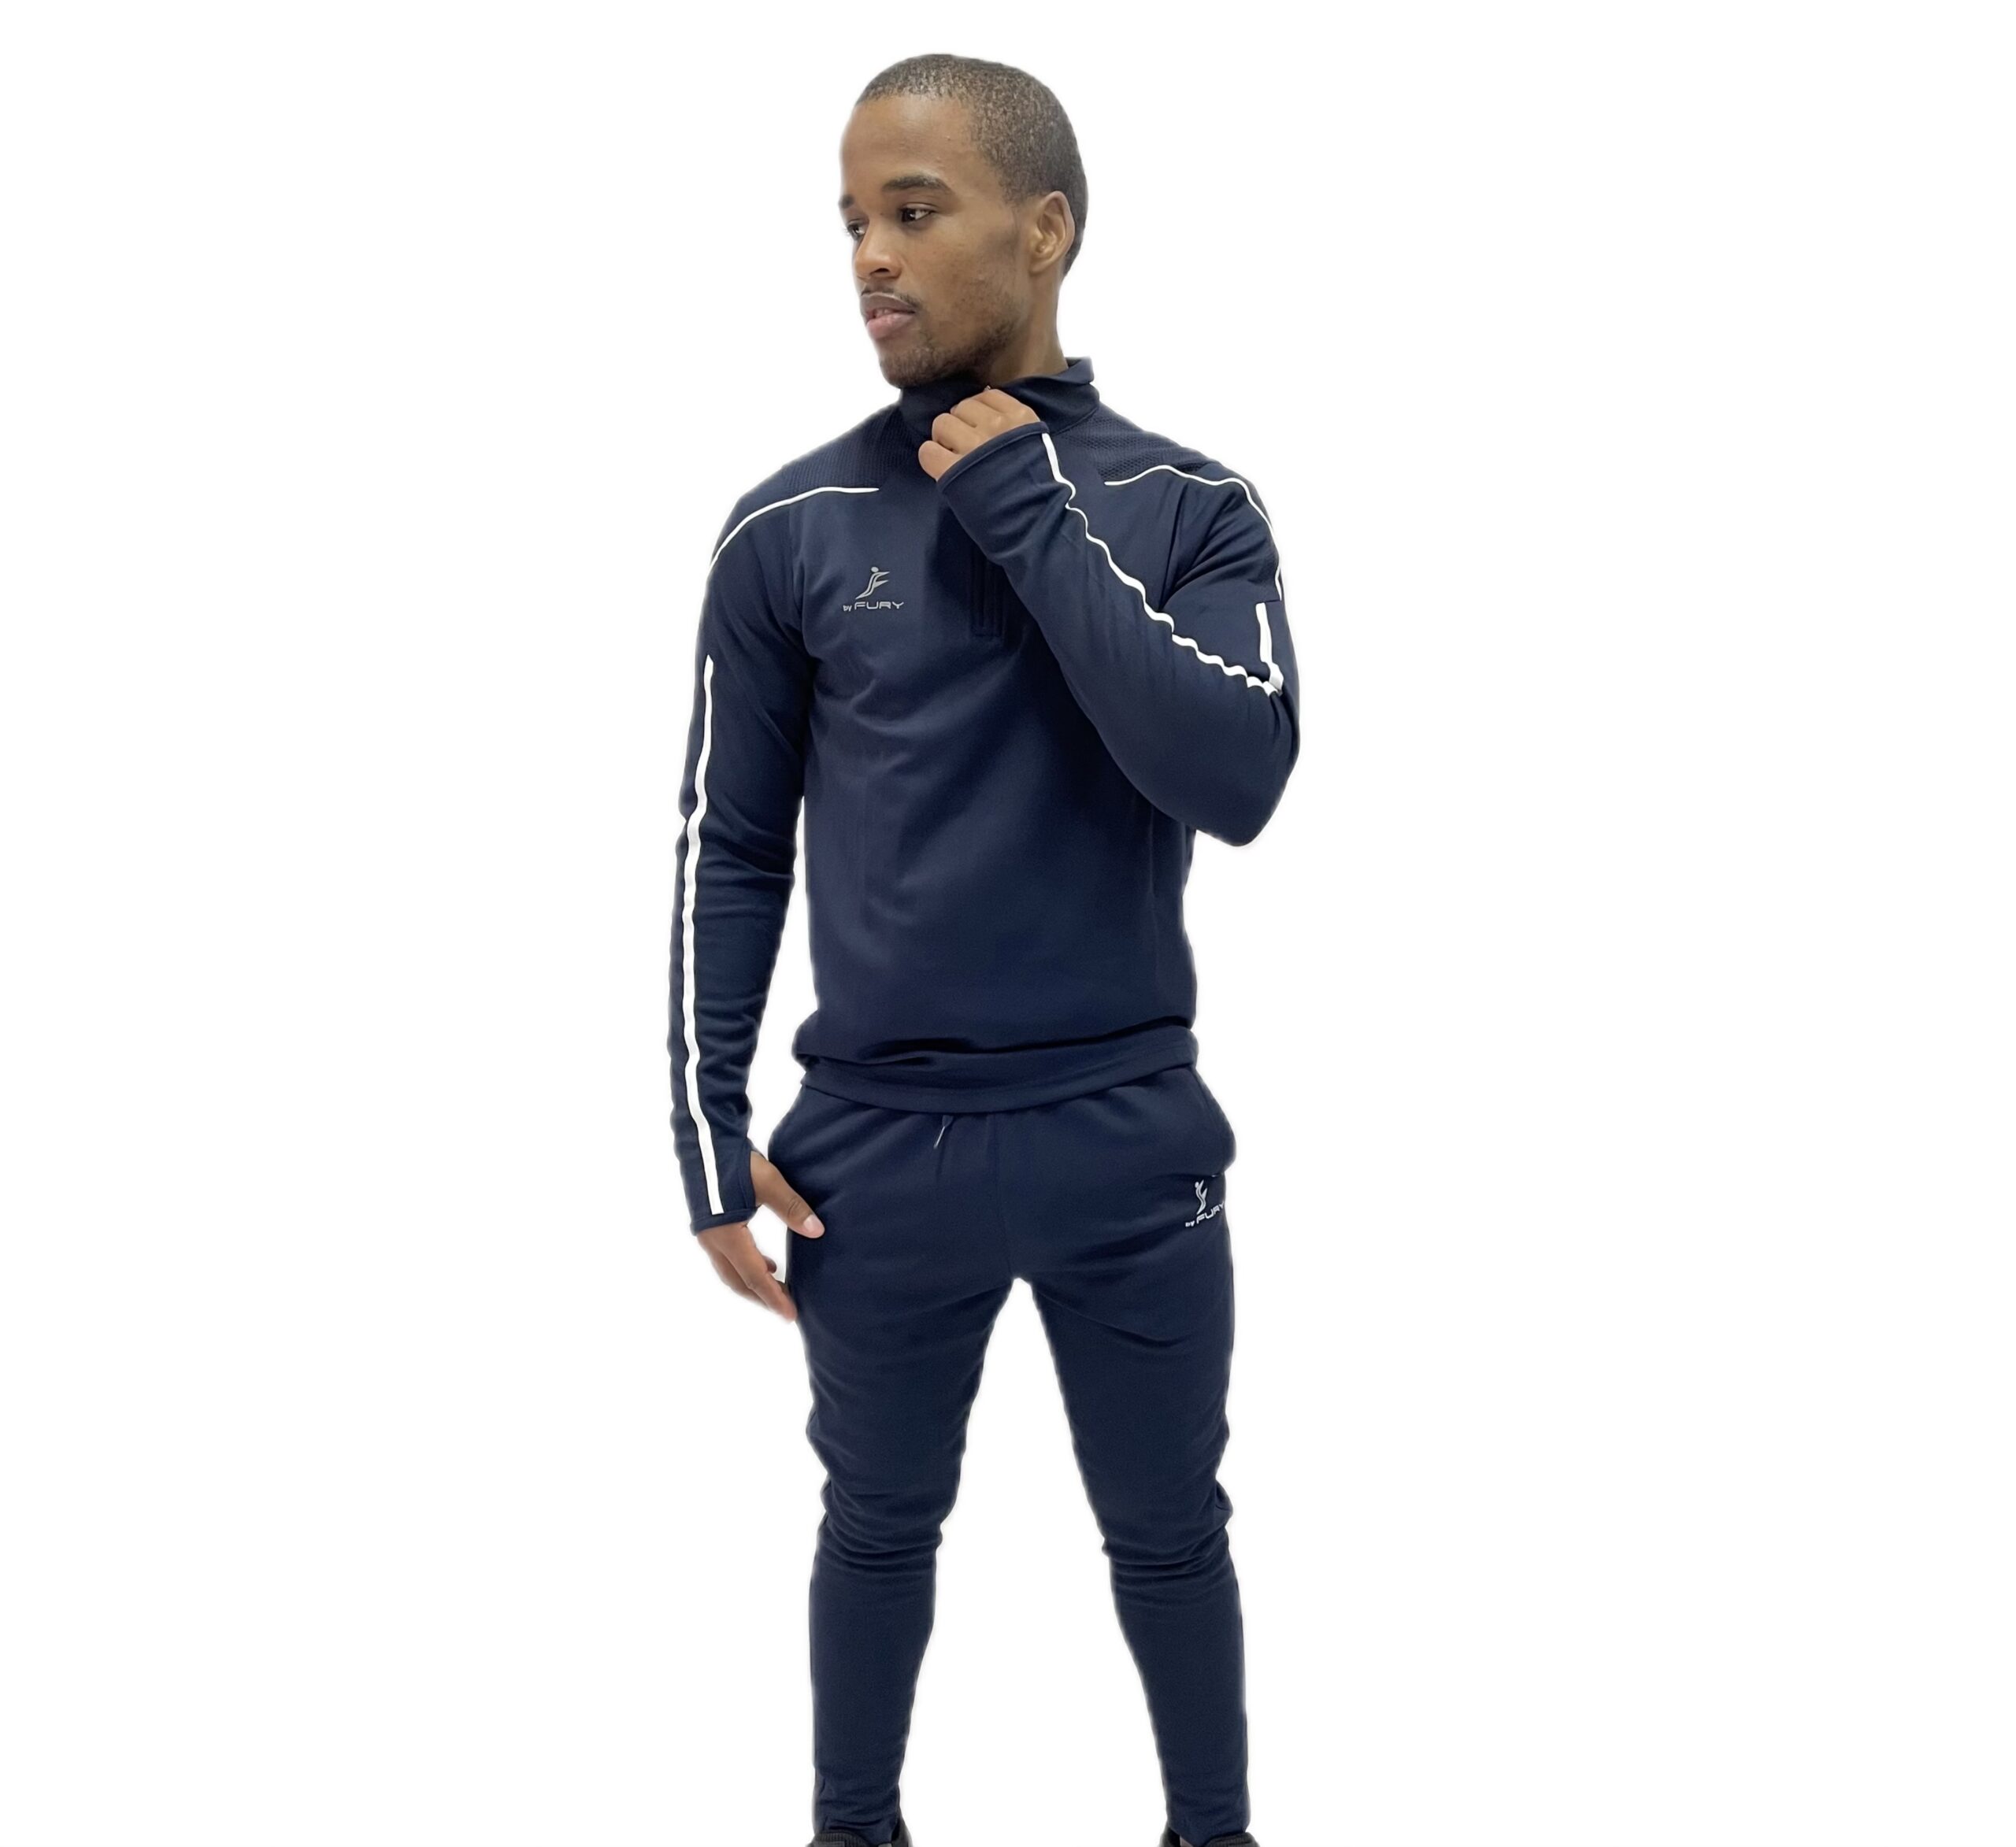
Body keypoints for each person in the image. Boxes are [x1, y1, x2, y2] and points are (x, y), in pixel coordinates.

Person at [666, 50, 1299, 1847]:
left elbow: (1235, 776)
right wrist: (707, 1129)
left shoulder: (1190, 507)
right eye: (852, 221)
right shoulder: (789, 527)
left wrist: (1024, 504)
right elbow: (730, 844)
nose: (871, 255)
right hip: (873, 1157)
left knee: (1170, 1534)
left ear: (1046, 230)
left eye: (914, 211)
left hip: (1127, 1136)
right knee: (875, 1530)